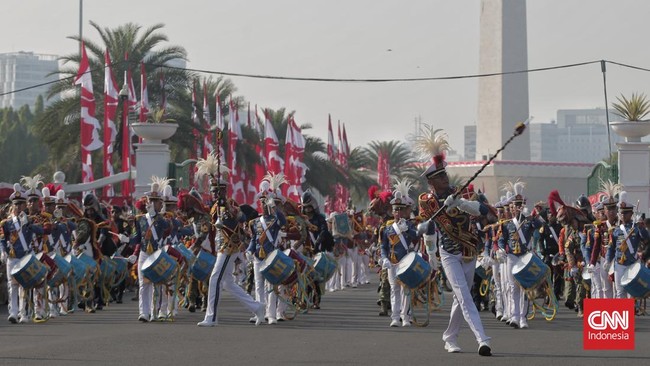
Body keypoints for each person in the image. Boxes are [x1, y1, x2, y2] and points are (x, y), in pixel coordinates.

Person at [415, 127, 491, 356]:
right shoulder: (426, 201)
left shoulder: (457, 193)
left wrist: (459, 203)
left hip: (469, 250)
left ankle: (450, 337)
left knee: (461, 297)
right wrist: (432, 258)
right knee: (465, 296)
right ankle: (482, 339)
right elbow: (428, 230)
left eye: (445, 174)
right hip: (448, 253)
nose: (445, 177)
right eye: (440, 176)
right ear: (431, 181)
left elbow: (482, 210)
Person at [195, 157, 265, 327]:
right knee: (227, 283)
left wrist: (226, 205)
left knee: (214, 279)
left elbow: (239, 217)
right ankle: (257, 307)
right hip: (221, 247)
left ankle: (211, 317)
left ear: (222, 191)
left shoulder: (229, 203)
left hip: (229, 246)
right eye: (212, 190)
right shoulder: (214, 207)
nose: (213, 193)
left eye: (216, 191)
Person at [0, 183, 46, 324]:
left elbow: (42, 231)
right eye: (16, 204)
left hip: (26, 257)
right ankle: (13, 312)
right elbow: (2, 239)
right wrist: (2, 252)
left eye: (21, 204)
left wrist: (29, 224)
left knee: (24, 286)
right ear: (12, 205)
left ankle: (23, 313)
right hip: (13, 257)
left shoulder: (31, 220)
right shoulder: (6, 223)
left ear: (25, 206)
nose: (19, 207)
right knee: (12, 286)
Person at [379, 179, 419, 327]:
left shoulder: (410, 225)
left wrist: (407, 230)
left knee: (406, 290)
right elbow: (384, 245)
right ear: (392, 212)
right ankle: (395, 317)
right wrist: (384, 258)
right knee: (394, 289)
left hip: (406, 262)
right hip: (392, 261)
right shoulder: (388, 228)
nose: (398, 212)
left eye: (400, 209)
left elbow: (416, 237)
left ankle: (405, 317)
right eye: (395, 210)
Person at [606, 191, 649, 298]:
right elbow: (611, 248)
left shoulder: (636, 228)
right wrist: (607, 260)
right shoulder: (615, 230)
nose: (623, 215)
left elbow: (646, 239)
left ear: (631, 214)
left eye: (625, 213)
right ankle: (622, 314)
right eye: (621, 213)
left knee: (631, 293)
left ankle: (629, 314)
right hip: (619, 264)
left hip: (632, 264)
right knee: (620, 292)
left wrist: (642, 227)